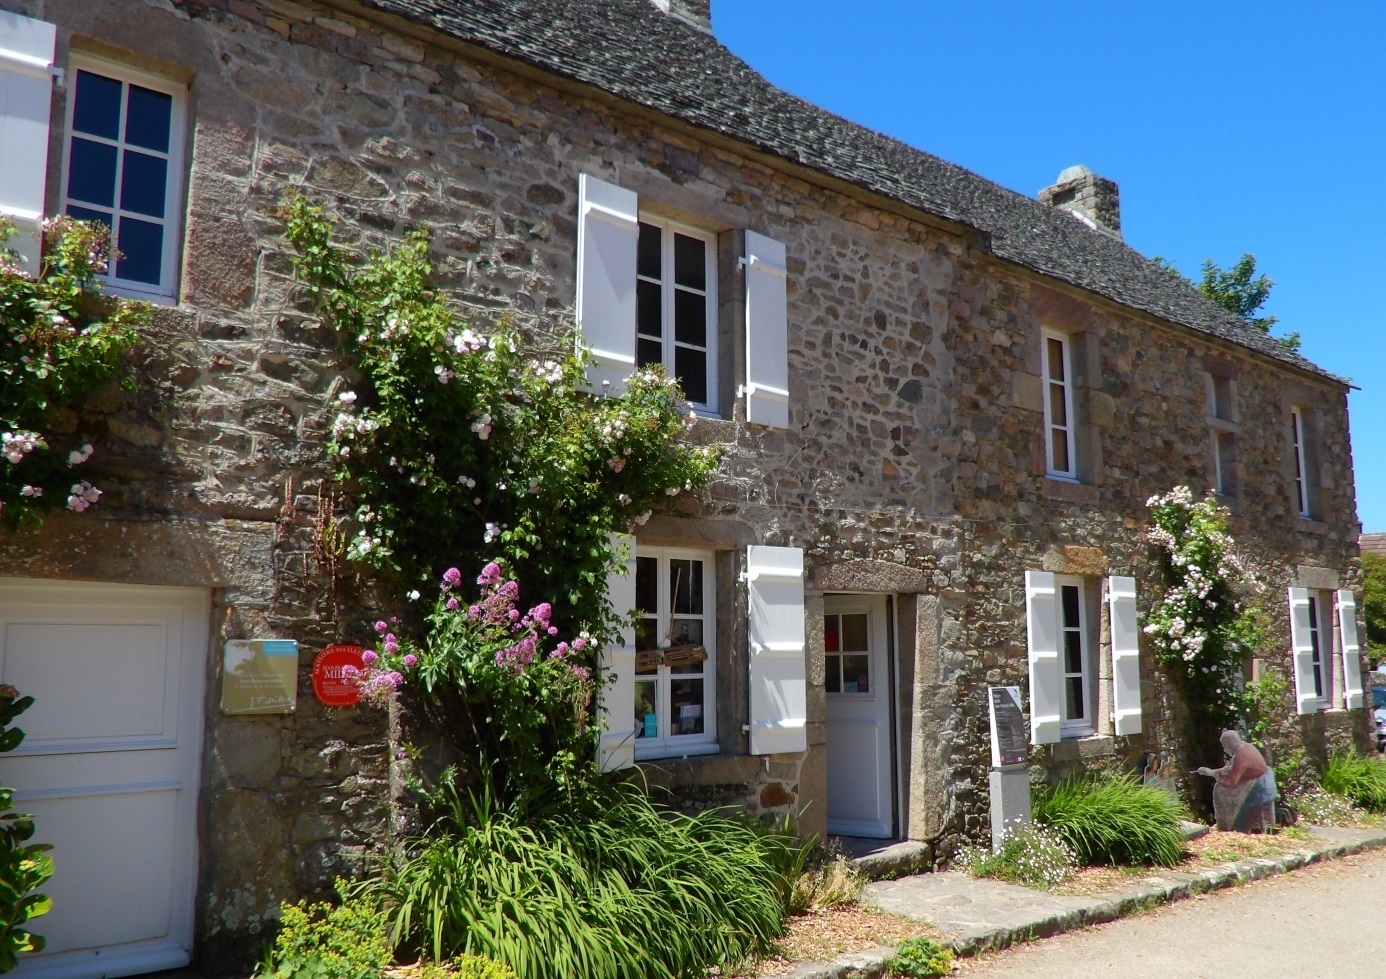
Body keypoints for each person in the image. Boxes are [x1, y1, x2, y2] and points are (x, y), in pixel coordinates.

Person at [1197, 730, 1277, 833]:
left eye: (1225, 745)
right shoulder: (1248, 747)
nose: (1225, 749)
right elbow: (1237, 769)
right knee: (1225, 790)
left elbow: (1232, 781)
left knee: (1220, 791)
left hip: (1259, 787)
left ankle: (1230, 825)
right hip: (1264, 779)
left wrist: (1216, 776)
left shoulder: (1241, 756)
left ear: (1231, 743)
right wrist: (1215, 771)